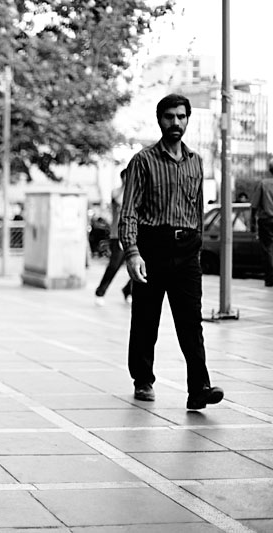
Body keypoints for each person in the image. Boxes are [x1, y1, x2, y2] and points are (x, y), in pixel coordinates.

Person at [119, 93, 223, 410]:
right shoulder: (143, 160)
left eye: (180, 116)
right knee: (146, 320)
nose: (175, 122)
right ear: (159, 119)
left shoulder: (196, 162)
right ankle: (143, 380)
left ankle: (199, 389)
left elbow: (197, 208)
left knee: (191, 322)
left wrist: (198, 248)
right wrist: (133, 252)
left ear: (188, 119)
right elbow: (129, 211)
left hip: (187, 250)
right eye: (169, 116)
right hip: (153, 246)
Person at [94, 169, 133, 306]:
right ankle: (100, 292)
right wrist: (125, 187)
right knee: (114, 265)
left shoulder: (137, 193)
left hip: (134, 235)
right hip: (118, 235)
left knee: (140, 266)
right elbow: (118, 199)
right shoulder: (117, 192)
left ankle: (128, 290)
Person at [250, 160, 273, 287]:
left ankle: (270, 278)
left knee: (268, 249)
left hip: (267, 220)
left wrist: (252, 222)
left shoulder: (263, 184)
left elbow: (254, 205)